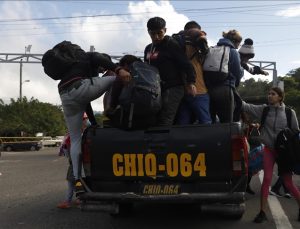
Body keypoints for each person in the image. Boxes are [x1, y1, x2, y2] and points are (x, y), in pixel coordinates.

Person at [58, 50, 131, 195]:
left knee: (76, 139)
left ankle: (78, 180)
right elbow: (97, 57)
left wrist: (93, 121)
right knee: (117, 78)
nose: (102, 70)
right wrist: (118, 70)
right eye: (104, 67)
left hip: (65, 95)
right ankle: (117, 109)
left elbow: (86, 101)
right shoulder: (90, 57)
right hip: (77, 87)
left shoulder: (79, 69)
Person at [242, 87, 300, 223]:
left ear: (280, 97)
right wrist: (231, 89)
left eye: (273, 94)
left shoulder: (289, 113)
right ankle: (262, 212)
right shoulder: (265, 110)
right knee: (267, 179)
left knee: (288, 183)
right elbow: (246, 106)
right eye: (268, 94)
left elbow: (296, 131)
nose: (269, 96)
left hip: (284, 152)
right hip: (268, 149)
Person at [144, 16, 197, 126]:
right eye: (153, 34)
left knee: (165, 118)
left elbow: (187, 64)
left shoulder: (171, 44)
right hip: (156, 89)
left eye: (160, 33)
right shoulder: (148, 49)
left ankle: (162, 142)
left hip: (174, 87)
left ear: (165, 30)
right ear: (148, 32)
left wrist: (191, 83)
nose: (157, 37)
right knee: (154, 117)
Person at [175, 21, 212, 125]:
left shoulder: (176, 41)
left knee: (183, 124)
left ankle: (182, 141)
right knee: (205, 122)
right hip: (198, 90)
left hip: (181, 90)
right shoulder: (196, 37)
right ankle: (207, 141)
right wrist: (202, 34)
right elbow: (205, 51)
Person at [206, 29, 244, 123]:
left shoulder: (212, 49)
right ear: (235, 41)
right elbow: (237, 74)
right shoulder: (232, 51)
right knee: (226, 123)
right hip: (225, 90)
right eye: (239, 44)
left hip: (208, 90)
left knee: (210, 121)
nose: (238, 46)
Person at [57, 113, 90, 209]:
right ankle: (81, 198)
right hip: (87, 162)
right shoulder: (88, 133)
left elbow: (66, 151)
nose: (85, 121)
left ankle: (68, 201)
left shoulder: (72, 135)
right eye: (85, 119)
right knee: (83, 180)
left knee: (71, 181)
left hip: (76, 162)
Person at [233, 38, 269, 122]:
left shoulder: (242, 62)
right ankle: (235, 123)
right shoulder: (236, 59)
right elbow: (251, 70)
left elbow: (252, 70)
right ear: (245, 55)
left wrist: (262, 71)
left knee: (238, 103)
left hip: (231, 87)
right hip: (228, 86)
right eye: (248, 57)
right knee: (238, 104)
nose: (248, 60)